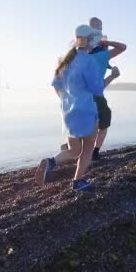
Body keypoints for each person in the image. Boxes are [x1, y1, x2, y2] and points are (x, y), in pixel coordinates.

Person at [35, 25, 104, 191]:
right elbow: (97, 89)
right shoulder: (89, 61)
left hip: (68, 113)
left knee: (74, 150)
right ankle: (78, 181)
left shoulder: (64, 60)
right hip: (87, 111)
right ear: (90, 41)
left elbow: (55, 86)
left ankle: (51, 162)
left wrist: (66, 100)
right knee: (87, 150)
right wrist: (111, 77)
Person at [87, 16, 127, 160]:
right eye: (96, 26)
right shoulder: (101, 55)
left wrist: (112, 75)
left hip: (81, 96)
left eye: (100, 27)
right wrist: (107, 43)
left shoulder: (82, 54)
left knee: (90, 127)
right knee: (101, 125)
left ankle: (85, 151)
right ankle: (92, 152)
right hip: (94, 97)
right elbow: (123, 47)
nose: (99, 29)